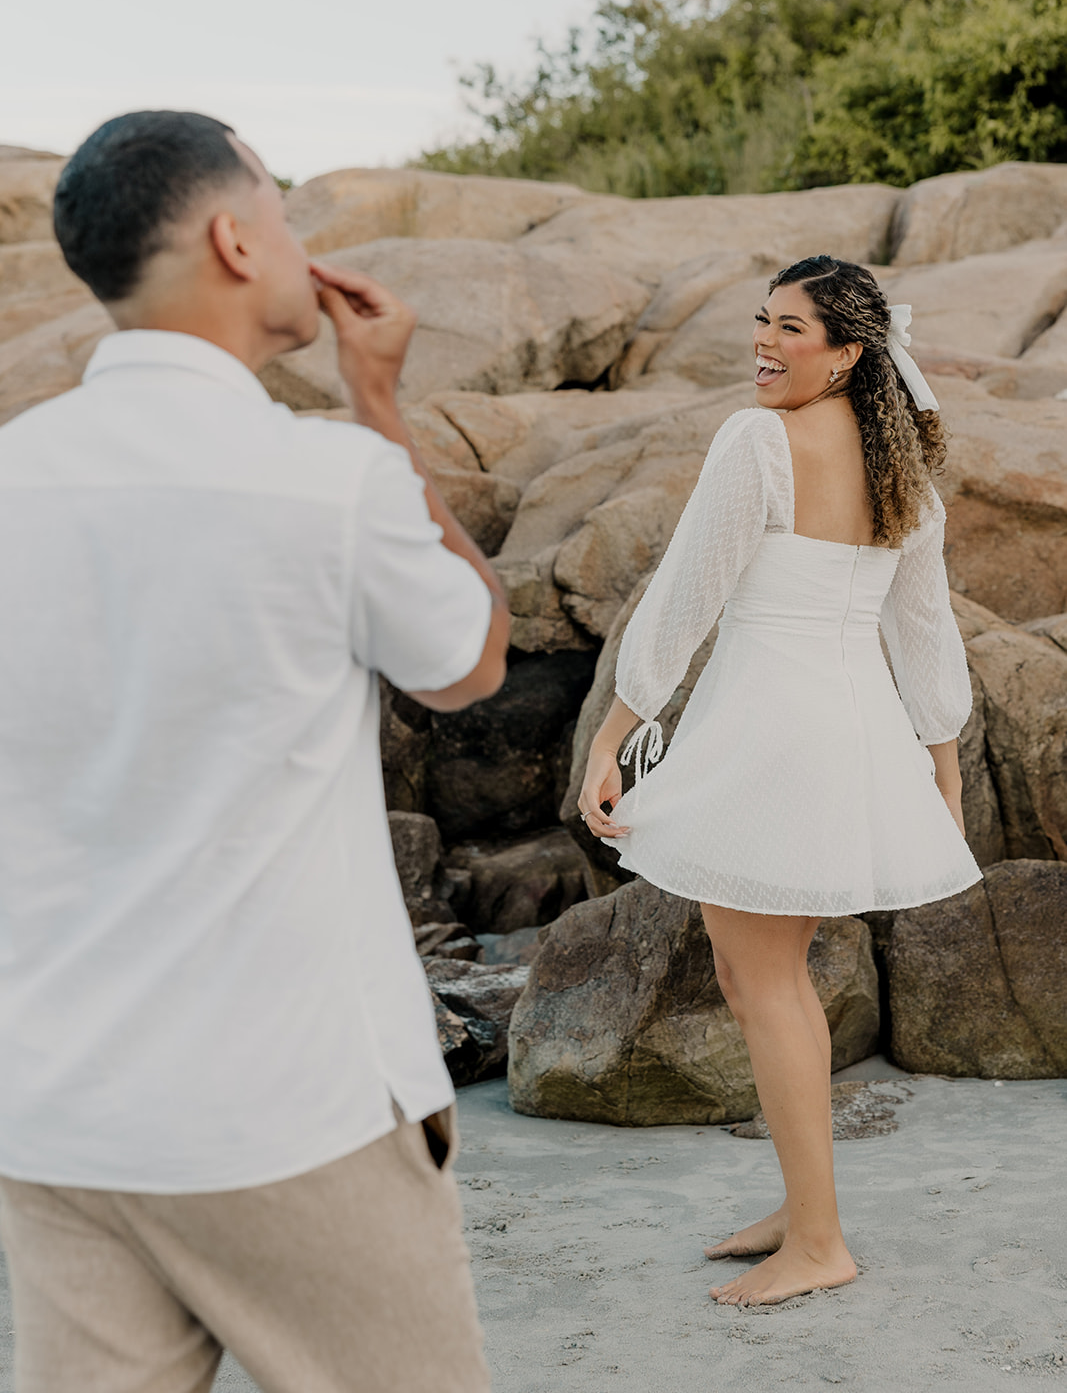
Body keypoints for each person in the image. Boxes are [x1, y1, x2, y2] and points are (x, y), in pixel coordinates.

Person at [0, 110, 509, 1392]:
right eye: (281, 215)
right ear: (234, 237)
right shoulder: (325, 479)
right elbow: (468, 662)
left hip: (58, 1114)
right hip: (292, 1108)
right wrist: (379, 400)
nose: (294, 244)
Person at [578, 255, 982, 1309]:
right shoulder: (900, 466)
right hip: (842, 734)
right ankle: (799, 1207)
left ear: (847, 353)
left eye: (790, 328)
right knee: (759, 970)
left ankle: (815, 1239)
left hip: (770, 733)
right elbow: (920, 625)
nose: (763, 340)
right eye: (760, 319)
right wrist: (938, 761)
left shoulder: (759, 441)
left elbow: (684, 595)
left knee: (765, 983)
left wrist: (617, 729)